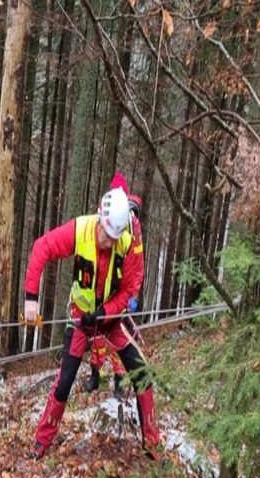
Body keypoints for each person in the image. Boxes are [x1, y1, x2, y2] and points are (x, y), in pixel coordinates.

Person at [23, 183, 164, 460]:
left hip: (111, 320)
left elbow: (130, 289)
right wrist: (31, 297)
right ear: (100, 219)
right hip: (81, 318)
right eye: (105, 234)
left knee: (142, 374)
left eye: (113, 238)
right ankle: (41, 441)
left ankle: (152, 444)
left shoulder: (128, 243)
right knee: (65, 380)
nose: (107, 242)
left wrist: (106, 312)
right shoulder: (81, 229)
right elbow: (42, 247)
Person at [86, 180, 144, 395]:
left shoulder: (133, 227)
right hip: (100, 288)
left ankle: (119, 380)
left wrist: (132, 295)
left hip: (120, 291)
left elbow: (137, 266)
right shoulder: (105, 213)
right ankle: (95, 373)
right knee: (97, 336)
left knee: (118, 338)